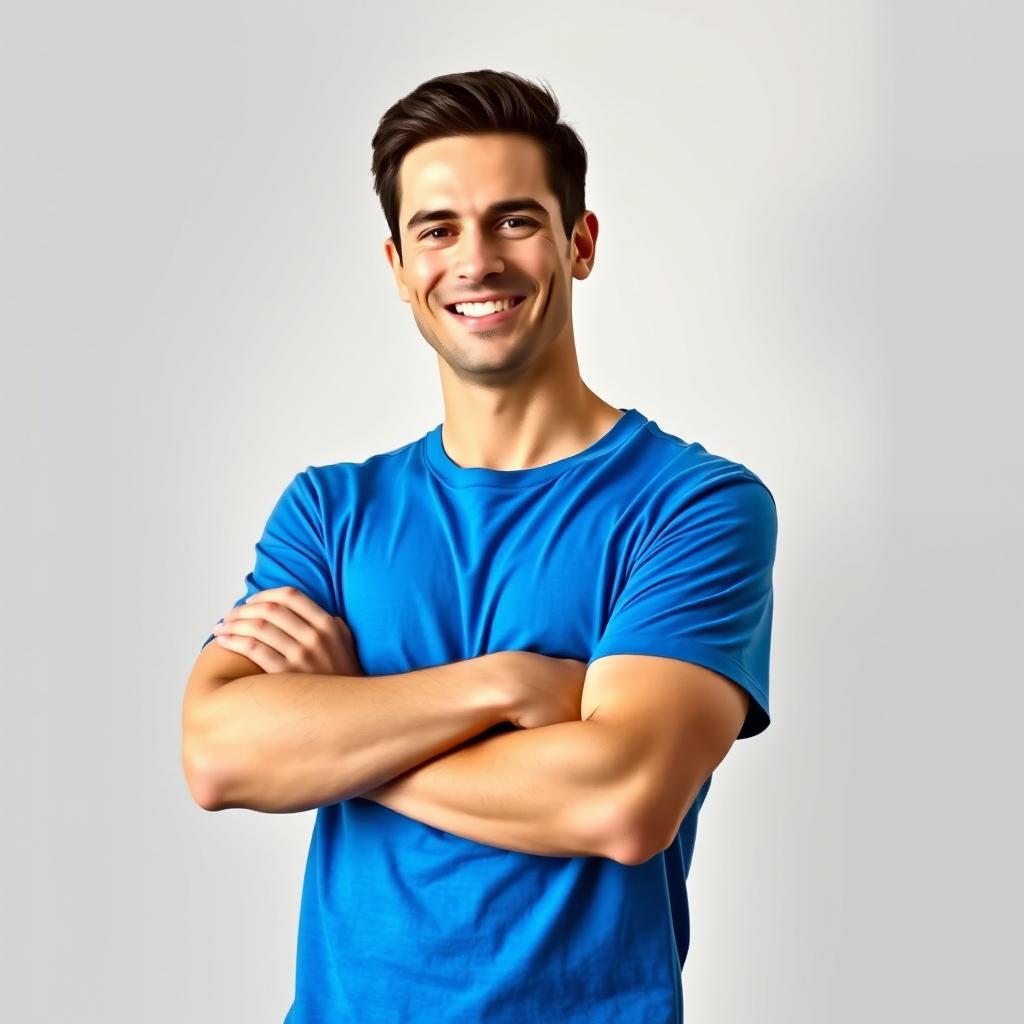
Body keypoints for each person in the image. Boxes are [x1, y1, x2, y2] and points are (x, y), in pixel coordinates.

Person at [182, 69, 778, 1024]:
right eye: (438, 228)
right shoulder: (330, 512)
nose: (477, 260)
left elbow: (620, 799)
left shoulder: (695, 506)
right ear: (397, 265)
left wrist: (340, 730)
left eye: (515, 221)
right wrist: (505, 686)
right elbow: (218, 754)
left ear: (579, 243)